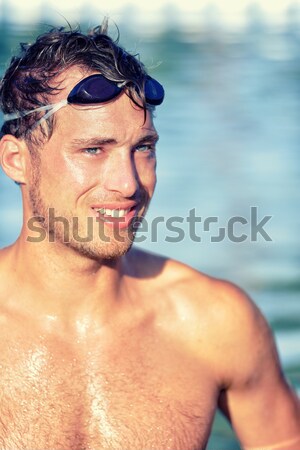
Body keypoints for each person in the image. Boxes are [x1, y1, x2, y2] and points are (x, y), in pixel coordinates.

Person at [0, 19, 299, 450]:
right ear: (16, 160)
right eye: (93, 149)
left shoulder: (214, 322)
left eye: (143, 148)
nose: (128, 184)